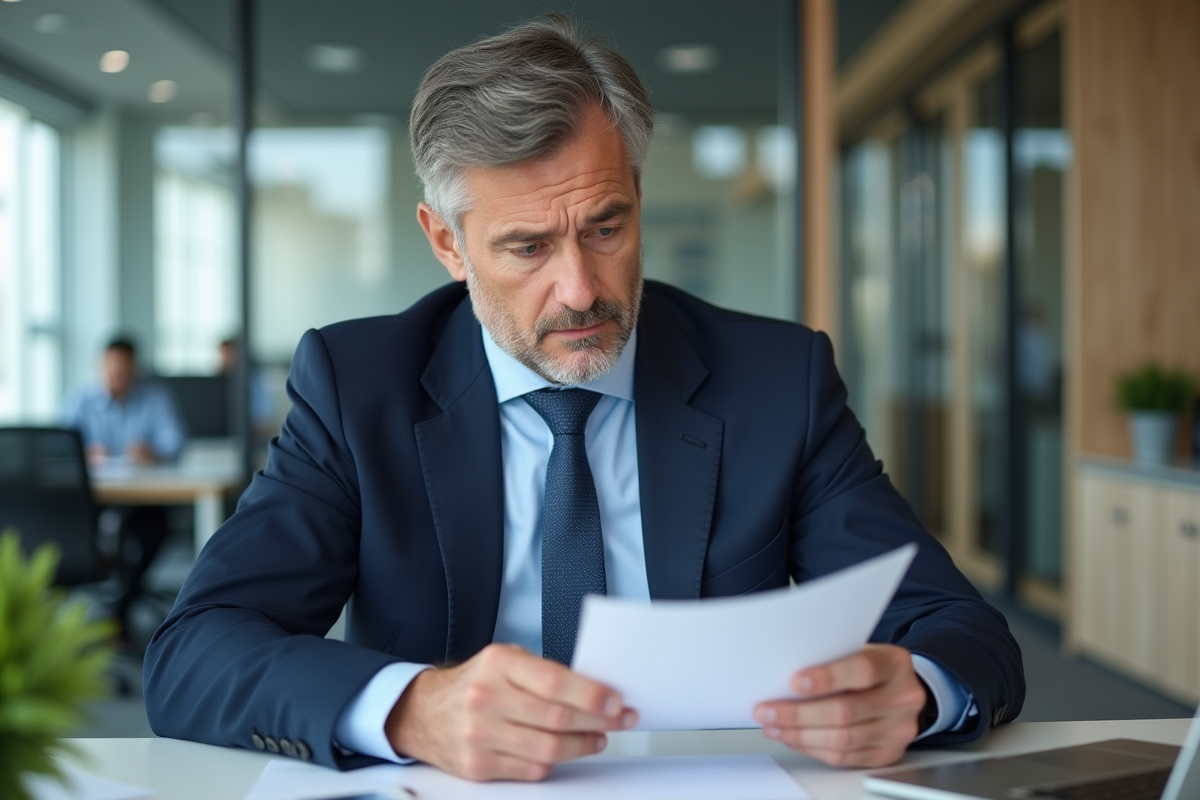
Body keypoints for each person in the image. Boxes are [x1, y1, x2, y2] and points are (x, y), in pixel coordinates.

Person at [145, 17, 1024, 782]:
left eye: (606, 227)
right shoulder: (356, 384)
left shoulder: (775, 378)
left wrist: (916, 691)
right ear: (446, 242)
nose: (579, 290)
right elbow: (195, 652)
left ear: (639, 196)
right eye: (527, 247)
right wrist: (413, 708)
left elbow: (962, 631)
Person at [63, 336, 186, 638]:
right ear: (100, 367)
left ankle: (122, 604)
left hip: (143, 498)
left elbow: (176, 441)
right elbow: (59, 445)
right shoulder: (81, 399)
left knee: (153, 528)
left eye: (123, 371)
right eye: (110, 370)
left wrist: (152, 451)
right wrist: (84, 451)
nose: (116, 378)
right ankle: (122, 605)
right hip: (94, 500)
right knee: (82, 532)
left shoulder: (154, 397)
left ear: (135, 370)